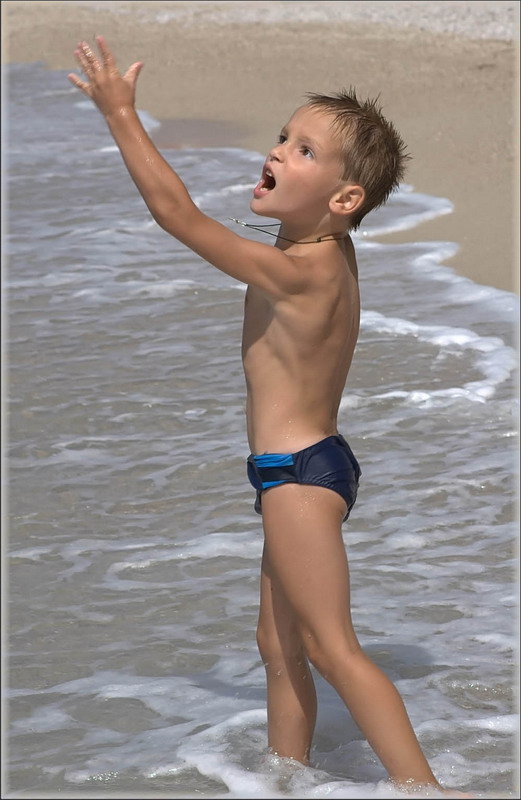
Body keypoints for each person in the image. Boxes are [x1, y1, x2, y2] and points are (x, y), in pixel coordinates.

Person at [68, 37, 469, 797]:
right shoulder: (320, 247)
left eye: (303, 149)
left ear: (344, 198)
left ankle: (426, 789)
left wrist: (120, 114)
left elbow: (174, 213)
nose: (277, 151)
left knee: (329, 647)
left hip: (298, 476)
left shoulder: (297, 270)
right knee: (277, 647)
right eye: (283, 137)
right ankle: (288, 780)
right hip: (296, 469)